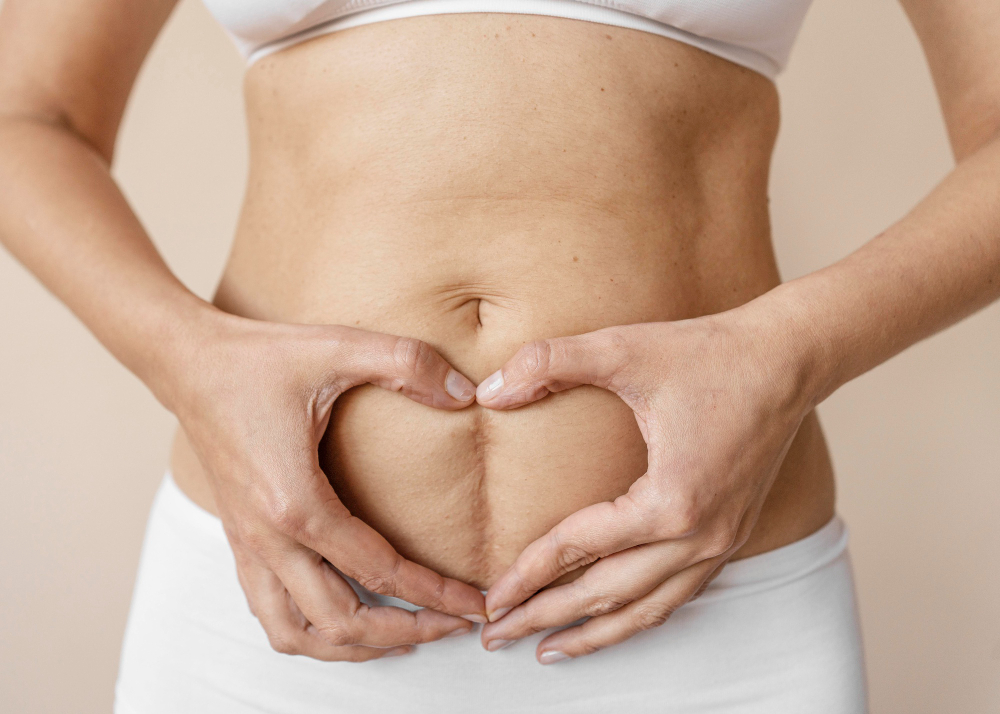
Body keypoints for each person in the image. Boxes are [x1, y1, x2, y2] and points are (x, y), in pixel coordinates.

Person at [1, 0, 997, 712]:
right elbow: (24, 114)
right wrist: (190, 361)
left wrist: (785, 353)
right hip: (274, 606)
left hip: (709, 615)